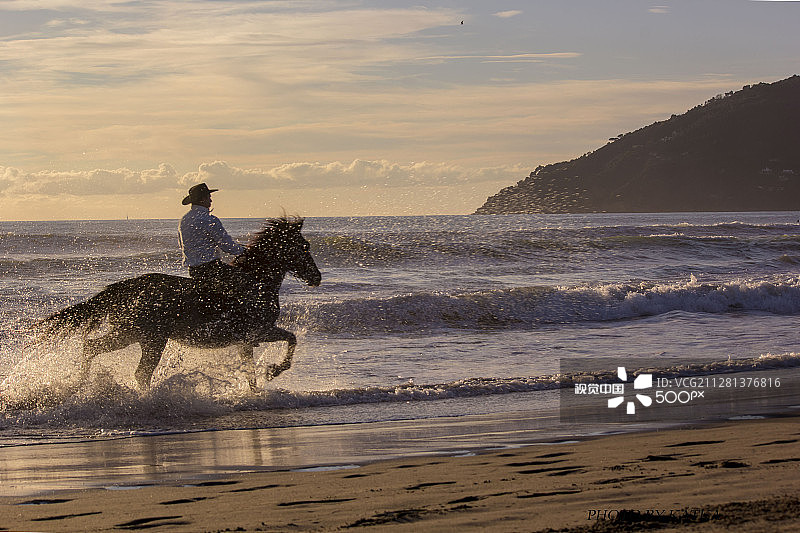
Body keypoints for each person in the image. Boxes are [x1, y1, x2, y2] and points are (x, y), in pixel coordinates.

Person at [178, 183, 246, 298]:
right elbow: (226, 245)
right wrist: (243, 250)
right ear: (203, 199)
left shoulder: (184, 219)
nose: (211, 201)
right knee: (244, 281)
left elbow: (182, 244)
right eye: (209, 198)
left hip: (194, 270)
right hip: (211, 268)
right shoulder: (209, 220)